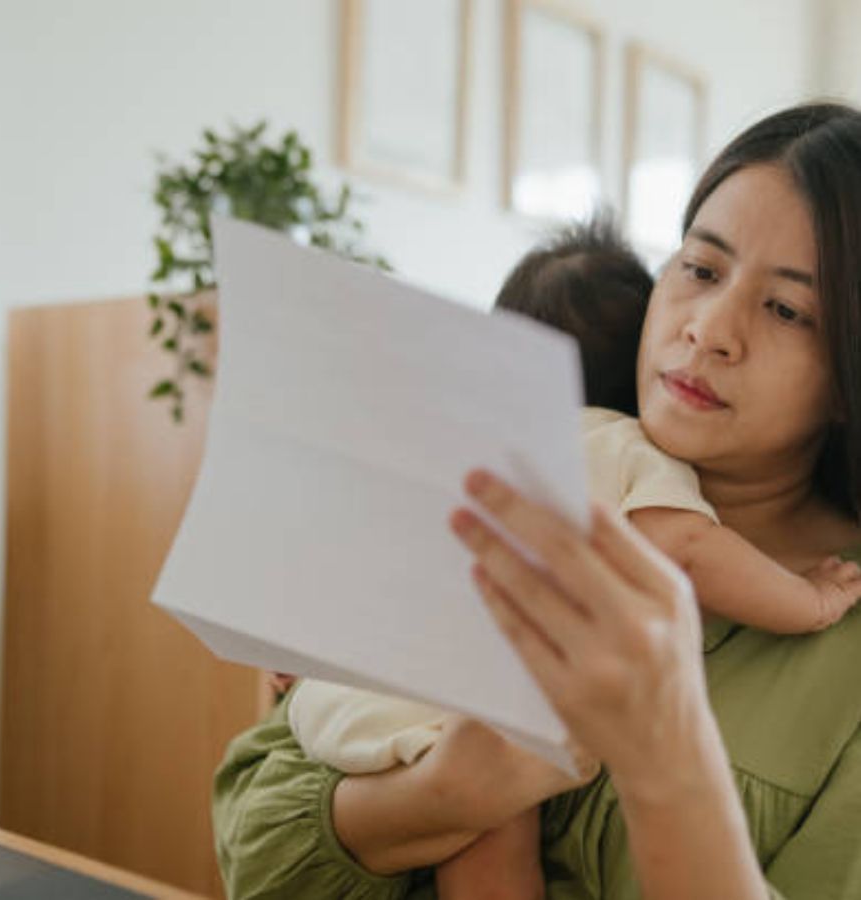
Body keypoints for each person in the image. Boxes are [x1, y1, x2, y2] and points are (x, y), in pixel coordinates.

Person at [212, 102, 861, 899]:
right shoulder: (525, 484)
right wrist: (444, 791)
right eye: (700, 268)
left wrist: (668, 756)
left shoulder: (841, 657)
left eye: (789, 309)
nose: (710, 329)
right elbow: (251, 848)